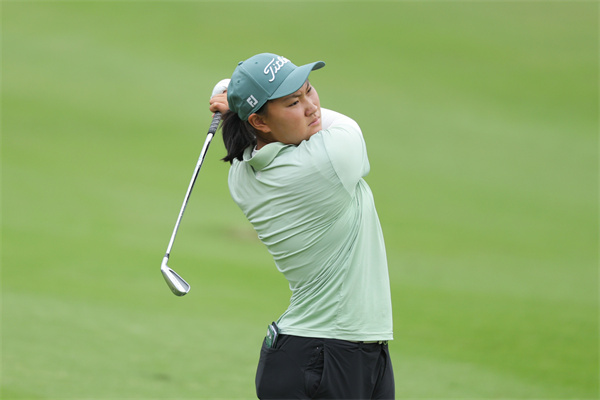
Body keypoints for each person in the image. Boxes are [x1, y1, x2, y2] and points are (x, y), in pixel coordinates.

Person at [209, 53, 394, 400]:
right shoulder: (329, 160)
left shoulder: (242, 174)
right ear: (259, 122)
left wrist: (241, 105)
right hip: (327, 354)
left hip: (331, 349)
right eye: (294, 102)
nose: (311, 107)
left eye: (309, 90)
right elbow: (343, 124)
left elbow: (266, 129)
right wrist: (234, 100)